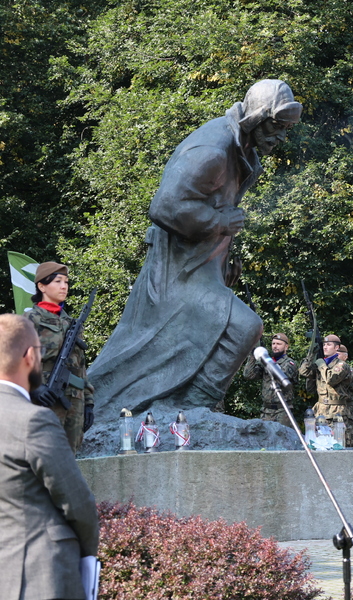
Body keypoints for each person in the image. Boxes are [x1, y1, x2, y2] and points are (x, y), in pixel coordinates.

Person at [88, 80, 302, 417]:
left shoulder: (243, 152)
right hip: (176, 270)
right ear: (257, 118)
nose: (281, 137)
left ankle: (186, 411)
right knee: (243, 327)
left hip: (201, 267)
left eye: (286, 129)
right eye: (277, 125)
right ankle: (190, 409)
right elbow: (165, 206)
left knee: (211, 335)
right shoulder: (213, 150)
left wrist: (222, 264)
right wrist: (219, 223)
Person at [0, 314, 99, 600]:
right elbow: (78, 503)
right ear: (30, 357)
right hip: (37, 577)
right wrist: (89, 558)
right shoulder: (33, 420)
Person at [26, 261, 95, 453]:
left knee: (69, 459)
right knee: (44, 456)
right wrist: (34, 388)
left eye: (66, 282)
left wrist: (88, 402)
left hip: (74, 401)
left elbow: (80, 367)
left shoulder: (70, 323)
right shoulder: (31, 319)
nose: (64, 286)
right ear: (42, 286)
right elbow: (14, 361)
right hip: (45, 398)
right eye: (58, 281)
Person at [299, 334, 353, 446]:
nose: (325, 347)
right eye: (324, 345)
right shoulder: (323, 363)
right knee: (319, 443)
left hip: (337, 411)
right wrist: (311, 355)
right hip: (321, 410)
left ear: (336, 348)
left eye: (329, 345)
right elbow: (304, 372)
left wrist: (321, 364)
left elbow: (331, 379)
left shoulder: (341, 365)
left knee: (339, 443)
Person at [242, 332, 299, 426]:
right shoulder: (267, 361)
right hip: (266, 411)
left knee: (281, 435)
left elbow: (280, 377)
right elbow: (248, 375)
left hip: (282, 411)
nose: (275, 346)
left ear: (286, 347)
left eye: (279, 344)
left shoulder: (289, 363)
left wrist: (266, 361)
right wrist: (253, 354)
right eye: (273, 344)